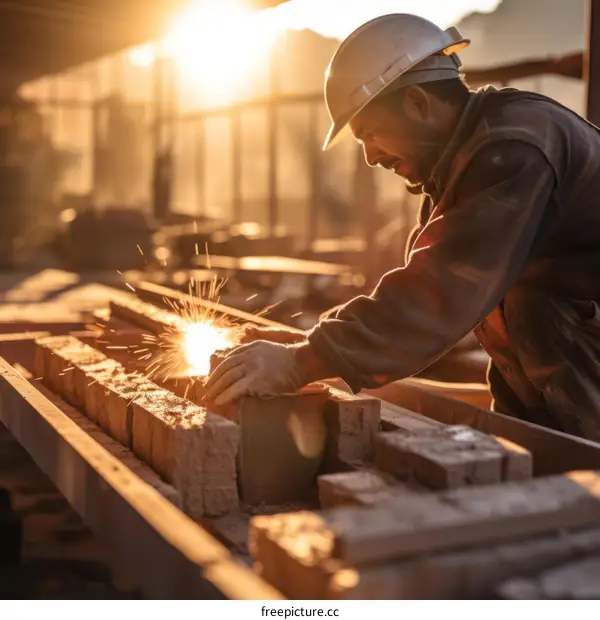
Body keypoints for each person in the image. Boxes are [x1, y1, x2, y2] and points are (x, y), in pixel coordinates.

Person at [205, 13, 600, 442]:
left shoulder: (513, 150)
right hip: (568, 347)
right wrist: (309, 347)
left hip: (579, 342)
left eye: (370, 134)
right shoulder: (461, 168)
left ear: (417, 103)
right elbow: (415, 294)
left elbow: (438, 297)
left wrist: (301, 362)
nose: (372, 157)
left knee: (531, 307)